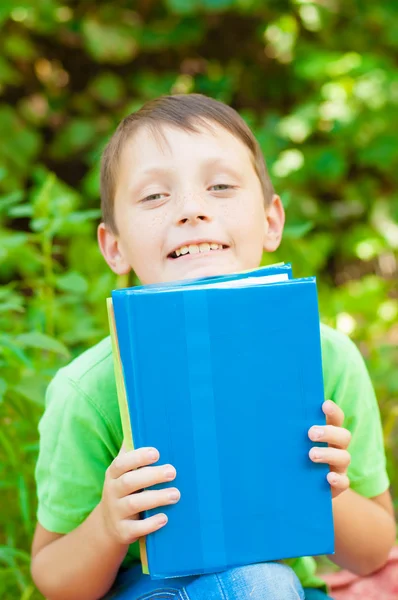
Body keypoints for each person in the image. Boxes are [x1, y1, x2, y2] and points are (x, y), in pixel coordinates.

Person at [30, 94, 396, 600]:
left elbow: (375, 552)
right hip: (151, 592)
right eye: (155, 196)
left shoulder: (326, 359)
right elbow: (55, 581)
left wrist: (331, 492)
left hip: (286, 588)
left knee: (269, 581)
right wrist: (107, 525)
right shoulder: (88, 390)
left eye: (220, 186)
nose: (192, 210)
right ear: (114, 247)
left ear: (271, 221)